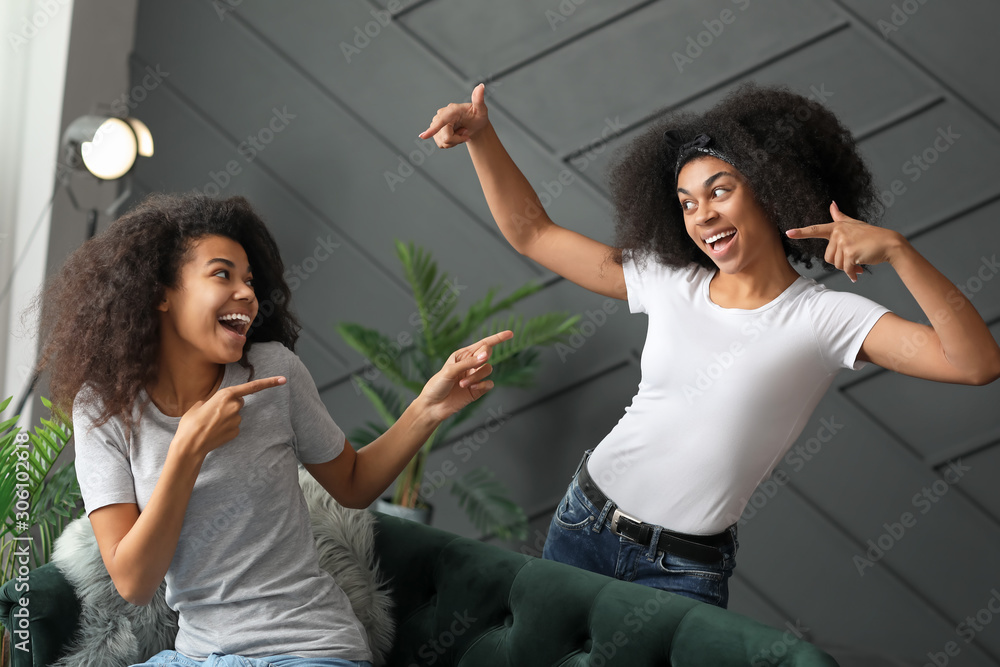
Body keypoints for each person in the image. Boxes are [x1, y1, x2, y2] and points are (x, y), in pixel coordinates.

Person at [418, 81, 1000, 609]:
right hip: (584, 522)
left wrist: (900, 252)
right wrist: (483, 137)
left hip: (681, 569)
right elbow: (533, 233)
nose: (703, 215)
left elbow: (975, 364)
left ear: (771, 192)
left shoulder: (827, 317)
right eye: (688, 202)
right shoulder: (670, 280)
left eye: (720, 191)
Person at [34, 193, 513, 666]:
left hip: (308, 648)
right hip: (199, 655)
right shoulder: (105, 408)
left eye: (249, 280)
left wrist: (428, 408)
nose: (247, 293)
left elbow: (353, 484)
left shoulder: (274, 373)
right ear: (158, 291)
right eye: (222, 273)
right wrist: (186, 454)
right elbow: (134, 582)